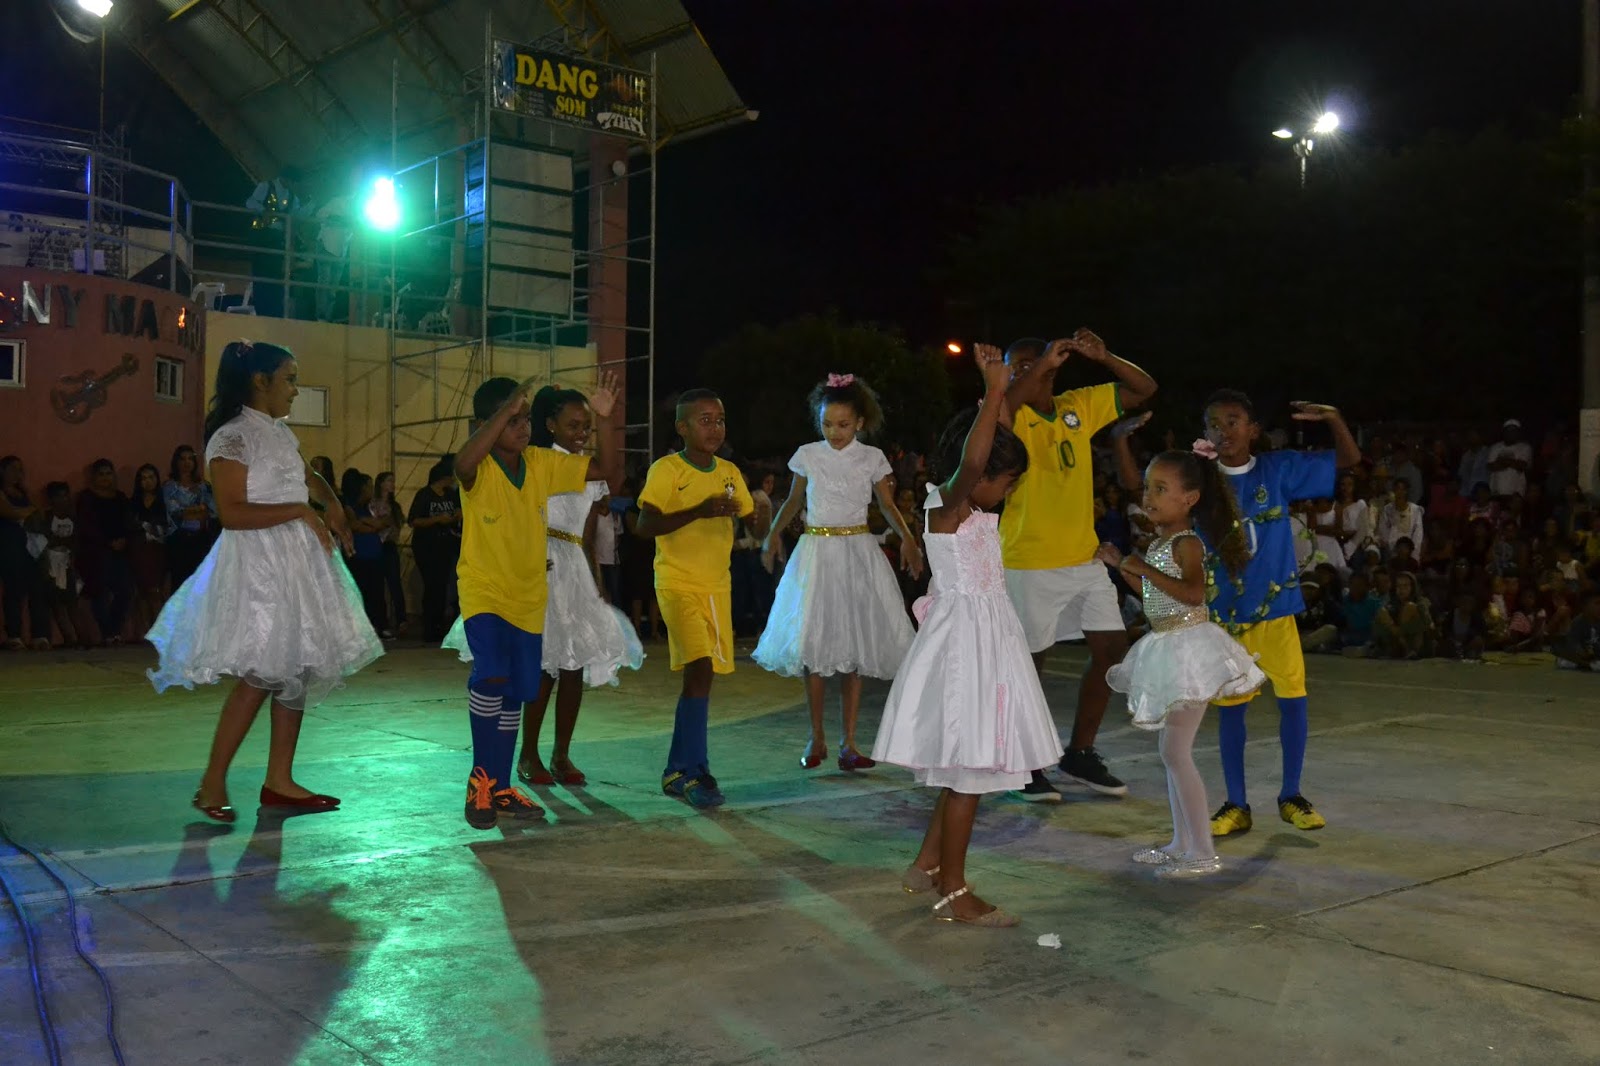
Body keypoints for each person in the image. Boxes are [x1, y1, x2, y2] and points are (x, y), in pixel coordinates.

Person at [148, 340, 383, 822]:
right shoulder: (233, 437)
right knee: (261, 672)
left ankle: (280, 779)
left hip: (296, 563)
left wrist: (331, 503)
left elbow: (308, 474)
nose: (296, 390)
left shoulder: (278, 432)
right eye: (290, 379)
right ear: (261, 381)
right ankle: (212, 782)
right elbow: (233, 513)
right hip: (260, 566)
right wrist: (301, 510)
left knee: (295, 667)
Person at [871, 345, 1060, 926]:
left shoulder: (969, 509)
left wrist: (1003, 392)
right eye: (1007, 481)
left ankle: (927, 863)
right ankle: (954, 891)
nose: (1008, 490)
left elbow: (990, 449)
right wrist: (996, 390)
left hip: (986, 639)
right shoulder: (946, 505)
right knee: (969, 773)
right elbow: (976, 463)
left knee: (964, 766)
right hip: (966, 649)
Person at [444, 386, 642, 788]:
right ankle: (500, 770)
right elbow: (463, 464)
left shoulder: (543, 463)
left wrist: (606, 419)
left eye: (524, 419)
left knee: (551, 673)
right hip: (509, 577)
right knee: (512, 674)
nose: (522, 426)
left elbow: (600, 492)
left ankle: (534, 767)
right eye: (511, 420)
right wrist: (505, 411)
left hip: (553, 577)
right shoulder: (501, 464)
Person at [999, 330, 1158, 801]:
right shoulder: (1008, 412)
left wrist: (1105, 356)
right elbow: (1004, 405)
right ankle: (1025, 764)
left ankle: (1079, 753)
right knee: (1030, 665)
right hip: (1029, 560)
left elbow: (1144, 389)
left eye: (1031, 361)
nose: (1025, 370)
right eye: (1016, 365)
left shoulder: (1078, 404)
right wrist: (1036, 370)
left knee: (1112, 652)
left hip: (1083, 557)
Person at [1197, 390, 1361, 838]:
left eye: (1233, 421)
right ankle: (1236, 804)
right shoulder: (1201, 481)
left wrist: (1334, 418)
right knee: (1232, 711)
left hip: (1276, 614)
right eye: (1214, 423)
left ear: (1253, 430)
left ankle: (1292, 795)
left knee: (1293, 701)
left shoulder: (1278, 469)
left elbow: (1348, 460)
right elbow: (1144, 487)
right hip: (1226, 619)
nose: (1224, 430)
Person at [1099, 436, 1263, 879]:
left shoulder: (1187, 543)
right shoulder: (1159, 543)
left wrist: (1141, 568)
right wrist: (1123, 566)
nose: (1148, 496)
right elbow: (1156, 598)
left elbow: (1192, 594)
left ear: (1189, 498)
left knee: (1175, 752)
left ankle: (1202, 851)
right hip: (1167, 642)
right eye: (1147, 487)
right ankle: (1180, 843)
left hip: (1190, 650)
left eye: (1160, 489)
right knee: (1170, 751)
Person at [754, 373, 924, 771]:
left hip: (857, 553)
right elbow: (793, 501)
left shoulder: (871, 458)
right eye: (827, 424)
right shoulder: (808, 455)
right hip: (817, 553)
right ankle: (816, 737)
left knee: (854, 650)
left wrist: (908, 538)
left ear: (860, 423)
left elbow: (887, 505)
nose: (834, 432)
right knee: (814, 648)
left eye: (843, 425)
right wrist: (772, 535)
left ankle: (849, 741)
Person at [635, 389, 756, 809]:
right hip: (677, 583)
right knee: (700, 668)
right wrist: (698, 511)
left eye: (720, 420)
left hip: (716, 587)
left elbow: (750, 521)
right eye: (704, 420)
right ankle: (696, 771)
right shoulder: (667, 469)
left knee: (702, 677)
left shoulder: (730, 472)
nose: (715, 428)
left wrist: (761, 517)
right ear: (682, 428)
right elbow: (644, 524)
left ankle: (676, 770)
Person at [76, 459, 136, 645]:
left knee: (125, 591)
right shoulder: (86, 498)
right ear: (93, 477)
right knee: (99, 592)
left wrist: (124, 541)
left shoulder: (120, 498)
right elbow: (87, 526)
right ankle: (107, 633)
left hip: (121, 551)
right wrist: (107, 542)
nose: (105, 478)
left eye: (108, 473)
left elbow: (128, 523)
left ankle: (115, 629)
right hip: (96, 553)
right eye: (101, 474)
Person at [33, 482, 94, 648]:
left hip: (67, 565)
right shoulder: (45, 518)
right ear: (51, 499)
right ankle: (69, 638)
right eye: (58, 496)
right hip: (50, 566)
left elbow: (76, 543)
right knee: (57, 604)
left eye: (65, 496)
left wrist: (63, 544)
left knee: (72, 603)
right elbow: (44, 541)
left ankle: (82, 637)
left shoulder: (73, 519)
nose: (63, 500)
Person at [1, 456, 52, 649]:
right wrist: (29, 511)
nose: (18, 474)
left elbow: (39, 512)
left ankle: (39, 635)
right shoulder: (2, 493)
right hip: (9, 544)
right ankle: (14, 635)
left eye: (20, 470)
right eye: (13, 469)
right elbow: (11, 512)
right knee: (14, 589)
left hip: (30, 545)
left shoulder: (23, 493)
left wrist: (28, 504)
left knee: (37, 588)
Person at [408, 458, 462, 642]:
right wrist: (437, 519)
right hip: (427, 546)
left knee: (443, 586)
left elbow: (458, 510)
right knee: (432, 586)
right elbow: (414, 520)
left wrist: (456, 515)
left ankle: (439, 625)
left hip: (446, 546)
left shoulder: (450, 494)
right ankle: (429, 627)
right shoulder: (425, 495)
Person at [341, 468, 390, 638]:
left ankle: (379, 625)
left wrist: (366, 522)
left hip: (374, 554)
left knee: (377, 592)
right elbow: (354, 525)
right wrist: (369, 525)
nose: (371, 490)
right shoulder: (349, 506)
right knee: (362, 592)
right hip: (359, 555)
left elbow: (383, 523)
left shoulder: (369, 507)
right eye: (369, 486)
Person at [164, 445, 217, 589]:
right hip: (178, 541)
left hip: (200, 539)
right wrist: (198, 510)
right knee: (180, 583)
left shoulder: (203, 486)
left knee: (200, 584)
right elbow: (175, 512)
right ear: (176, 462)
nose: (186, 462)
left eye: (190, 459)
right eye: (182, 459)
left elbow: (212, 512)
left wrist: (195, 512)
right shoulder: (169, 487)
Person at [128, 463, 172, 632]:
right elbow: (130, 525)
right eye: (143, 478)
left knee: (155, 590)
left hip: (157, 551)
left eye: (151, 477)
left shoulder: (164, 501)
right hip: (138, 550)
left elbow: (165, 526)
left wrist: (147, 527)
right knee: (141, 591)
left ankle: (159, 630)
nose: (147, 482)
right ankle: (146, 630)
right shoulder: (133, 503)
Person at [370, 471, 406, 635]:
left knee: (394, 584)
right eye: (389, 481)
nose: (392, 484)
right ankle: (381, 621)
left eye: (393, 481)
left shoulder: (394, 506)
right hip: (376, 544)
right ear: (381, 484)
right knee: (377, 585)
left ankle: (401, 620)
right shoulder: (372, 504)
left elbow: (396, 525)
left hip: (390, 545)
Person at [1376, 478, 1425, 560]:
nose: (1400, 492)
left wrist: (1414, 554)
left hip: (1410, 548)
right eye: (1397, 489)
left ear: (1407, 491)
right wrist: (1392, 547)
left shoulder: (1415, 510)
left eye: (1403, 489)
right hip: (1391, 549)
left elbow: (1418, 534)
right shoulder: (1387, 509)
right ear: (1394, 491)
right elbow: (1383, 530)